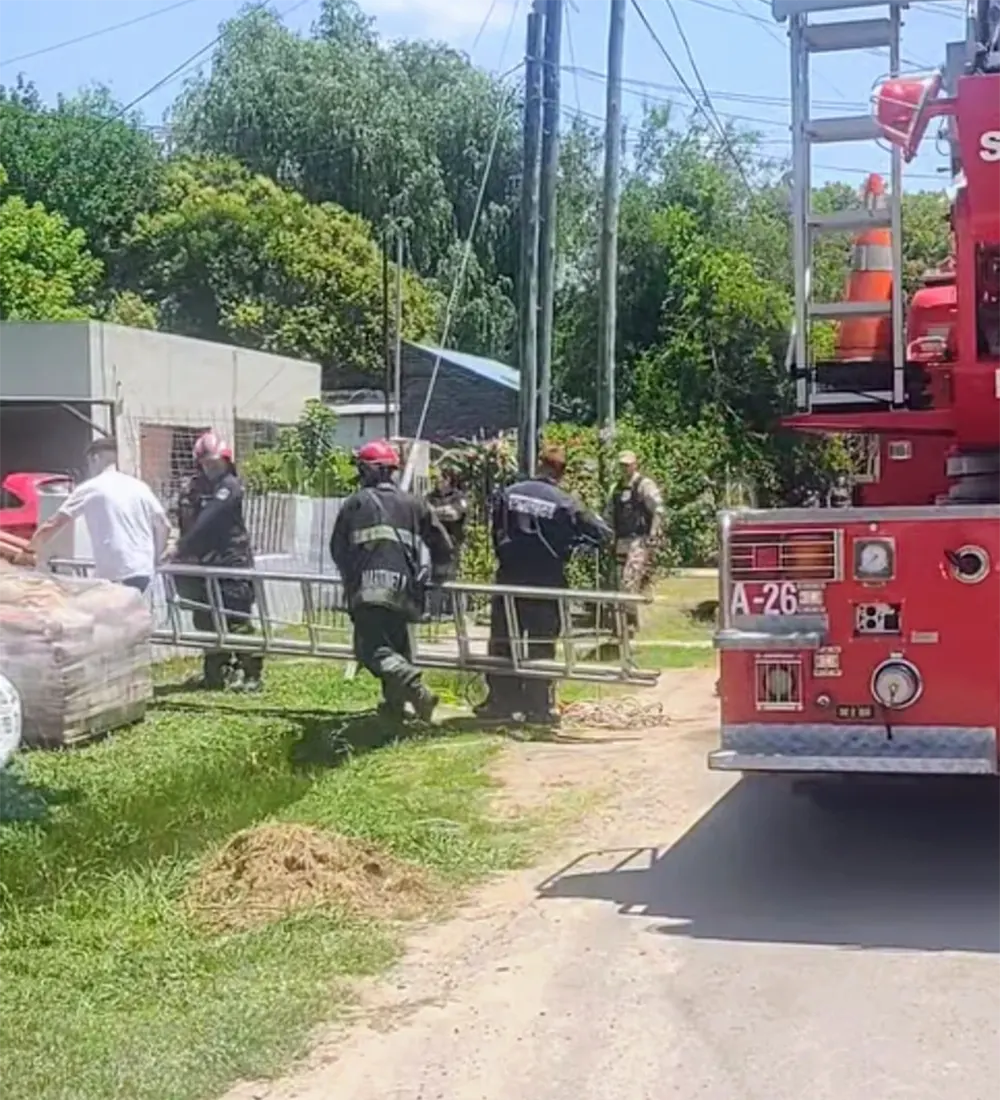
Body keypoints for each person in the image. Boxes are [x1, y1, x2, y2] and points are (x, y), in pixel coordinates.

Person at [476, 444, 612, 725]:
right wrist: (575, 544)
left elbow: (495, 530)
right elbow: (601, 533)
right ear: (561, 472)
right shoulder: (565, 501)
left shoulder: (509, 493)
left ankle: (501, 701)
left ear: (539, 464)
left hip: (509, 578)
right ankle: (537, 706)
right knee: (540, 643)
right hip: (546, 580)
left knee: (503, 640)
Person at [330, 439, 454, 723]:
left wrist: (351, 580)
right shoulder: (414, 504)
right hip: (406, 590)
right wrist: (437, 578)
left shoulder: (356, 503)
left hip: (369, 590)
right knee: (396, 647)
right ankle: (396, 707)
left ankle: (413, 685)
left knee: (371, 649)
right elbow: (441, 544)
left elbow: (338, 549)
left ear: (370, 470)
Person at [173, 430, 262, 692]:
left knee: (236, 620)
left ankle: (252, 674)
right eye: (206, 463)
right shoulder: (194, 489)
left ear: (226, 461)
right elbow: (185, 519)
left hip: (232, 563)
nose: (211, 468)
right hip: (203, 564)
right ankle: (215, 673)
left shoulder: (230, 487)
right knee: (205, 620)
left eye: (215, 463)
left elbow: (209, 518)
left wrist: (181, 546)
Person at [31, 436, 169, 594]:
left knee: (102, 614)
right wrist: (154, 557)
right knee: (125, 614)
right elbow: (164, 525)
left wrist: (29, 550)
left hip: (116, 572)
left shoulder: (91, 487)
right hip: (143, 571)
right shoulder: (140, 487)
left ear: (95, 458)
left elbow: (54, 523)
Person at [608, 450, 664, 629]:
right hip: (621, 540)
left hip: (639, 540)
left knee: (630, 579)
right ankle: (625, 621)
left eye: (627, 464)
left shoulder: (644, 485)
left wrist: (653, 534)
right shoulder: (616, 488)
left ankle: (631, 622)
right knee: (619, 581)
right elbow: (609, 513)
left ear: (635, 464)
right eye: (621, 465)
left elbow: (658, 509)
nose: (624, 468)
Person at [426, 468, 468, 618]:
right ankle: (435, 613)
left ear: (447, 479)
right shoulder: (430, 497)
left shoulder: (458, 497)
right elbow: (423, 512)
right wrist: (440, 512)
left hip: (453, 543)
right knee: (435, 578)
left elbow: (454, 514)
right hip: (434, 543)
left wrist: (434, 512)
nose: (436, 482)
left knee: (452, 577)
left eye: (439, 478)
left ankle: (454, 613)